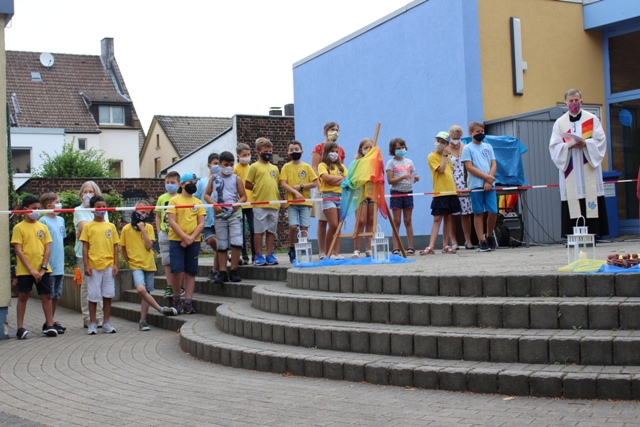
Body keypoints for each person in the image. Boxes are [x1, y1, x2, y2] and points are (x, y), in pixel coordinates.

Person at [549, 88, 608, 237]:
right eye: (571, 101)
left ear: (581, 102)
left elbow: (601, 141)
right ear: (565, 104)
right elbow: (554, 146)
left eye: (576, 100)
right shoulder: (560, 123)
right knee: (572, 197)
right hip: (571, 167)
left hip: (588, 163)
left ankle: (593, 234)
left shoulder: (592, 119)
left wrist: (587, 143)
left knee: (591, 194)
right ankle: (572, 235)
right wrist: (568, 145)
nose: (574, 103)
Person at [121, 200, 178, 331]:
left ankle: (143, 320)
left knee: (146, 292)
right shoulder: (126, 229)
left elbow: (149, 246)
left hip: (149, 264)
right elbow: (123, 249)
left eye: (147, 214)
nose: (144, 216)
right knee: (140, 289)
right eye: (142, 212)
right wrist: (130, 262)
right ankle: (160, 309)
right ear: (135, 211)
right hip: (136, 265)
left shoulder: (149, 228)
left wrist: (143, 230)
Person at [12, 195, 57, 339]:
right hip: (25, 270)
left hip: (42, 269)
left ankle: (49, 324)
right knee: (23, 296)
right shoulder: (19, 228)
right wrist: (31, 269)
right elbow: (19, 250)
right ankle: (20, 327)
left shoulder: (43, 227)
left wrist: (42, 268)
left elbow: (47, 249)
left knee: (47, 295)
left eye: (38, 208)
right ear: (25, 209)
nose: (36, 211)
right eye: (34, 208)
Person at [167, 172, 206, 315]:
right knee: (176, 271)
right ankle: (177, 299)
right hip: (176, 240)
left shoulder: (198, 202)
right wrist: (184, 237)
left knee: (191, 271)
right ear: (182, 184)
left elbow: (201, 223)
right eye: (190, 182)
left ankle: (188, 301)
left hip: (193, 241)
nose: (193, 185)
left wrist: (191, 238)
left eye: (195, 183)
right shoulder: (174, 201)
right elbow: (172, 221)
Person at [205, 151, 247, 283]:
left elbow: (244, 196)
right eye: (226, 165)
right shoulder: (214, 178)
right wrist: (214, 204)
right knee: (222, 244)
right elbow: (206, 195)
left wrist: (238, 204)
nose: (229, 167)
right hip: (220, 216)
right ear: (220, 164)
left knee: (236, 242)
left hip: (235, 215)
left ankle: (234, 270)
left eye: (231, 165)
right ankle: (222, 271)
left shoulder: (236, 178)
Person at [80, 196, 119, 335]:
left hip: (108, 265)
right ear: (92, 209)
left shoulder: (111, 226)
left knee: (107, 295)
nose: (101, 209)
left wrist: (116, 264)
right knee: (93, 295)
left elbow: (115, 246)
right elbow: (85, 246)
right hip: (94, 265)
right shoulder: (88, 226)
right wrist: (86, 265)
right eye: (98, 206)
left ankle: (106, 322)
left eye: (103, 206)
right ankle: (92, 322)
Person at [421, 132, 462, 255]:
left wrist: (456, 188)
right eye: (438, 141)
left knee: (448, 218)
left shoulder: (448, 157)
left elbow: (451, 173)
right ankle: (431, 246)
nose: (439, 143)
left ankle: (446, 245)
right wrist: (444, 155)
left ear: (447, 144)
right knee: (437, 218)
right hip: (440, 192)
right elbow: (441, 170)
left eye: (443, 142)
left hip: (450, 190)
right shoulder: (432, 156)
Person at [74, 181, 106, 328]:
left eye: (91, 192)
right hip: (84, 253)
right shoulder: (78, 210)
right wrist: (86, 232)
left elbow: (105, 229)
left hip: (101, 252)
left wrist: (85, 232)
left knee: (99, 285)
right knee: (87, 285)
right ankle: (88, 318)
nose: (88, 195)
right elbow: (87, 229)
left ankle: (99, 316)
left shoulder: (102, 210)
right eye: (85, 192)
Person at [311, 122, 346, 260]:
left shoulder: (340, 149)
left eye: (337, 130)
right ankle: (322, 251)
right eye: (332, 129)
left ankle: (335, 251)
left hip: (337, 191)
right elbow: (315, 168)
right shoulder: (318, 148)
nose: (335, 132)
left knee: (336, 223)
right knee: (322, 220)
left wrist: (338, 181)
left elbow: (342, 172)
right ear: (325, 131)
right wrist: (321, 185)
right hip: (322, 189)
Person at [279, 140, 318, 263]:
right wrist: (294, 192)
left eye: (296, 149)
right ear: (288, 153)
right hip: (292, 203)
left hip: (305, 203)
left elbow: (315, 183)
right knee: (293, 226)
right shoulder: (286, 167)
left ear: (302, 151)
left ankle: (304, 251)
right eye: (291, 150)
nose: (294, 151)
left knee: (304, 227)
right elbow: (283, 183)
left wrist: (301, 187)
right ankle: (292, 248)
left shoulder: (306, 167)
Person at [461, 122, 498, 252]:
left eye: (482, 131)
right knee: (478, 212)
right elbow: (469, 168)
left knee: (493, 211)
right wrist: (486, 177)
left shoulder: (488, 146)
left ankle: (489, 236)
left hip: (490, 184)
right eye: (478, 131)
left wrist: (489, 180)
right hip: (476, 185)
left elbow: (494, 164)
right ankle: (481, 240)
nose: (481, 133)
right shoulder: (467, 148)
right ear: (471, 133)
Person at [245, 137, 281, 266]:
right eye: (266, 151)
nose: (268, 154)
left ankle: (269, 253)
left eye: (270, 151)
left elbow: (276, 183)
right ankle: (258, 254)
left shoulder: (274, 168)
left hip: (274, 203)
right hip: (259, 204)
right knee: (259, 231)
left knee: (271, 231)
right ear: (258, 152)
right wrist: (259, 188)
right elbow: (248, 184)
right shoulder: (254, 167)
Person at [38, 192, 67, 334]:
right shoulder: (43, 221)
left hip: (60, 264)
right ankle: (48, 322)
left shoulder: (61, 220)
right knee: (49, 294)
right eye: (57, 202)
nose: (59, 204)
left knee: (56, 295)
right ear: (49, 205)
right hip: (49, 265)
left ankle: (51, 321)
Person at [386, 137, 418, 256]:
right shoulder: (391, 163)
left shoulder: (409, 162)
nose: (401, 149)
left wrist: (415, 178)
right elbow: (390, 180)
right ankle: (395, 247)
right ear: (393, 150)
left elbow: (412, 177)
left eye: (403, 147)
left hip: (408, 192)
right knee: (397, 221)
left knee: (408, 220)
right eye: (398, 148)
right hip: (396, 192)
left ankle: (411, 246)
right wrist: (403, 177)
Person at [318, 141, 348, 260]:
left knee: (338, 226)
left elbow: (347, 180)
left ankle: (336, 252)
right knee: (333, 224)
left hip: (341, 196)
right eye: (332, 151)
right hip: (328, 196)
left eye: (336, 151)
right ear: (326, 152)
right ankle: (328, 252)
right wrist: (340, 179)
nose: (334, 154)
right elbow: (326, 178)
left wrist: (334, 180)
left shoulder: (342, 167)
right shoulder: (322, 165)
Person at [155, 171, 183, 299]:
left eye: (172, 182)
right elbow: (158, 215)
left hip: (177, 233)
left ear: (178, 184)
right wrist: (158, 230)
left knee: (178, 260)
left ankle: (180, 285)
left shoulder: (181, 198)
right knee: (167, 261)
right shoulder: (162, 198)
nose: (169, 184)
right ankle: (169, 285)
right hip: (164, 233)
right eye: (167, 182)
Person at [448, 125, 474, 250]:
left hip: (464, 184)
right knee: (451, 215)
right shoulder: (446, 149)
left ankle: (468, 240)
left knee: (466, 213)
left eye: (458, 137)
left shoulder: (465, 147)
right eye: (454, 138)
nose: (456, 140)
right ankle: (453, 241)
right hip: (450, 184)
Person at [195, 153, 221, 281]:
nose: (218, 166)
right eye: (215, 163)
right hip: (207, 217)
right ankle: (227, 256)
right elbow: (196, 198)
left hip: (221, 216)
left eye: (219, 163)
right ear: (209, 165)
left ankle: (215, 270)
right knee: (212, 241)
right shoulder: (202, 182)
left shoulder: (223, 180)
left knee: (219, 243)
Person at [352, 138, 376, 258]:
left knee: (371, 220)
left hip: (372, 193)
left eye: (370, 147)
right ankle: (356, 249)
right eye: (366, 147)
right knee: (361, 220)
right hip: (360, 194)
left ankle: (368, 249)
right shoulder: (357, 163)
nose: (368, 149)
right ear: (361, 149)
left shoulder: (375, 162)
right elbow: (353, 178)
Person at [234, 143, 255, 265]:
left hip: (251, 203)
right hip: (239, 203)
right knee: (240, 230)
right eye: (244, 155)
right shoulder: (235, 169)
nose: (247, 157)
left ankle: (255, 254)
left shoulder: (252, 168)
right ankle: (244, 255)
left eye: (248, 154)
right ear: (238, 156)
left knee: (253, 229)